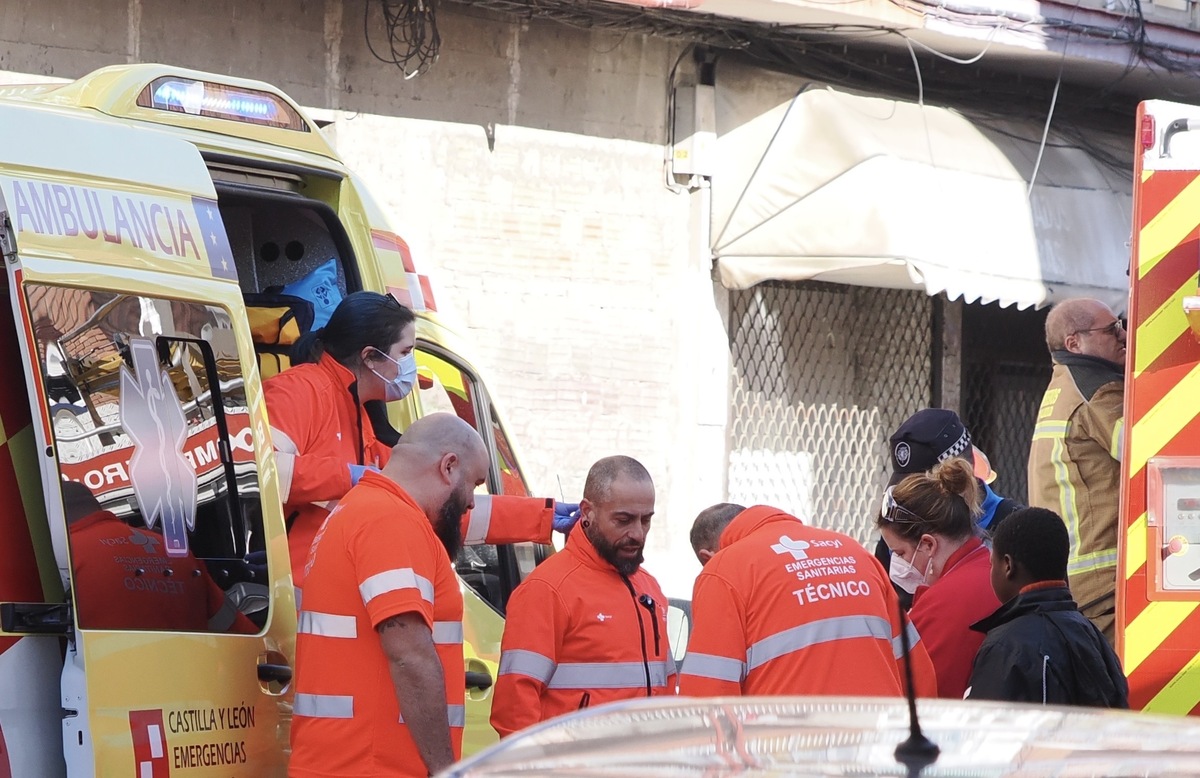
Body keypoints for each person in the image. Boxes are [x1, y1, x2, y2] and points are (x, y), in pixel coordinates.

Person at [262, 291, 575, 585]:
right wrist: (349, 478)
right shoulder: (299, 392)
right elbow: (259, 474)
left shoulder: (361, 415)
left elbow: (434, 505)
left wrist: (542, 516)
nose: (411, 366)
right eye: (406, 352)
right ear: (370, 357)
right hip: (300, 597)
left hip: (332, 591)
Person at [289, 413, 491, 777]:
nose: (471, 503)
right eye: (474, 484)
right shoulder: (391, 520)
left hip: (348, 761)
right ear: (448, 466)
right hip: (374, 765)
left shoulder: (359, 510)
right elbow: (409, 655)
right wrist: (445, 770)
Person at [490, 455, 674, 738]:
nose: (637, 533)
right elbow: (515, 705)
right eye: (623, 520)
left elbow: (666, 691)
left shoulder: (650, 589)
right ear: (587, 511)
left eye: (646, 520)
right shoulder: (548, 589)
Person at [680, 503, 937, 698]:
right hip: (877, 751)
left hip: (789, 756)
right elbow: (918, 675)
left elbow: (707, 697)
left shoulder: (724, 570)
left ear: (706, 557)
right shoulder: (853, 551)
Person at [1027, 297, 1126, 644]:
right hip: (1106, 585)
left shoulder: (1061, 387)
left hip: (1078, 584)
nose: (1124, 335)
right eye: (1112, 329)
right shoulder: (1096, 388)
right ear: (1074, 343)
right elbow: (1145, 453)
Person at [966, 507, 1129, 707]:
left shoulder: (1006, 645)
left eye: (993, 564)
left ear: (1008, 566)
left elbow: (986, 728)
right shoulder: (1091, 633)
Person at [875, 458, 1000, 699]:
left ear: (928, 544)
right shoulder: (988, 567)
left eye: (900, 553)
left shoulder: (944, 603)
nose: (896, 564)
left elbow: (918, 696)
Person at [873, 409, 1022, 607]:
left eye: (922, 487)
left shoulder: (1014, 526)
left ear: (957, 475)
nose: (911, 500)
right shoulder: (899, 532)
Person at [61, 480, 255, 634]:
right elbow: (240, 632)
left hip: (113, 678)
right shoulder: (174, 551)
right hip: (190, 677)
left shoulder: (65, 557)